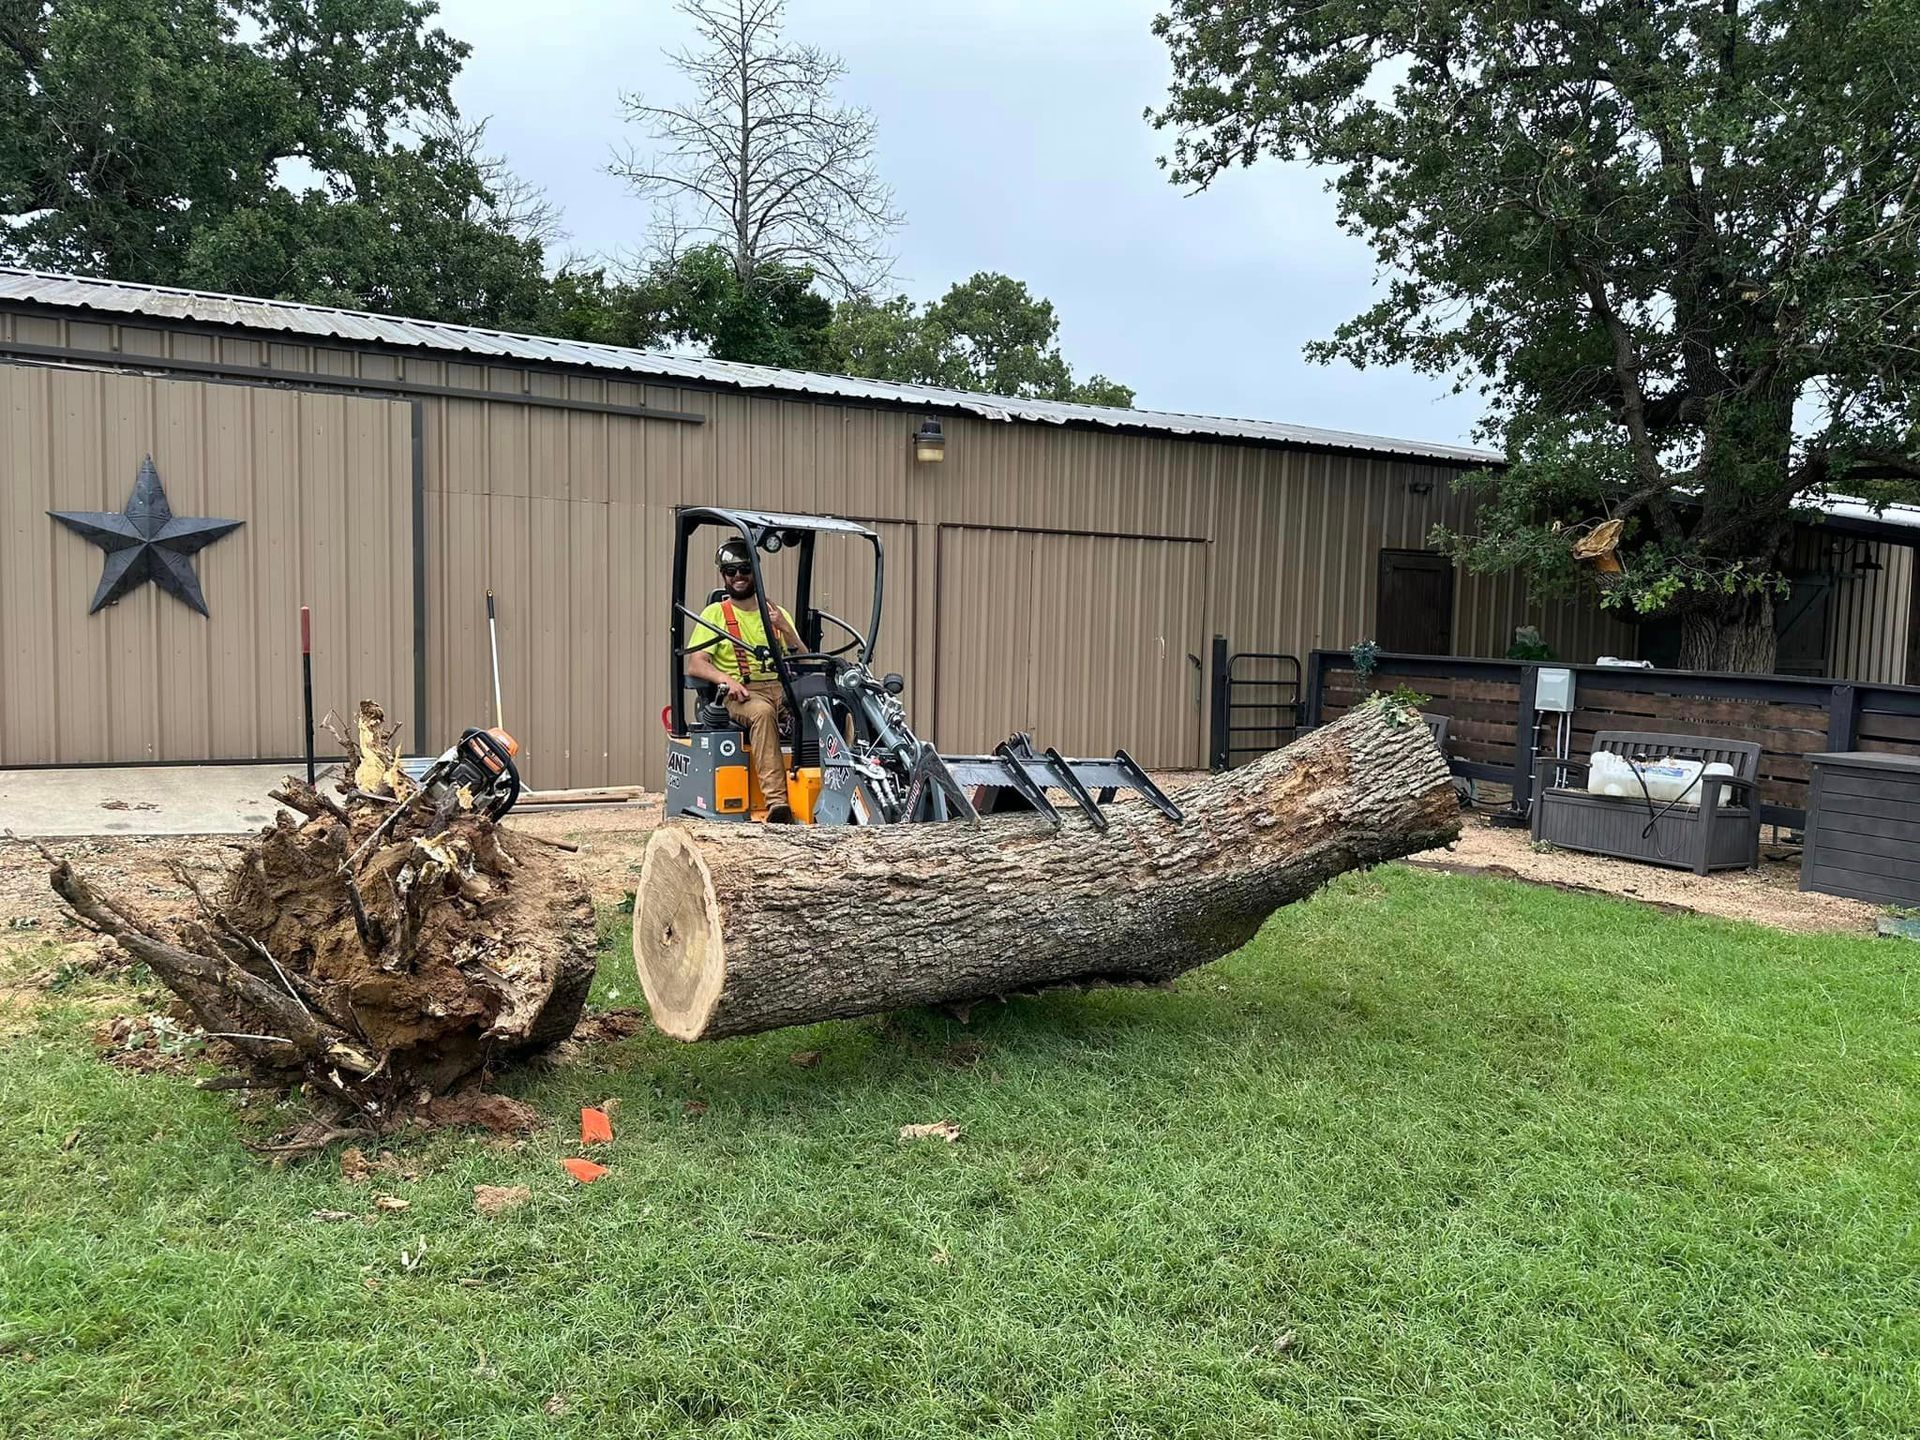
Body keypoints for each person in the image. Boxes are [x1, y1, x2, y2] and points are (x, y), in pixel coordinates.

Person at [685, 538, 803, 822]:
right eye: (731, 571)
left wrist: (785, 628)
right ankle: (777, 803)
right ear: (723, 575)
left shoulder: (775, 613)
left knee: (831, 709)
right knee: (763, 714)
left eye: (744, 569)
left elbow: (804, 657)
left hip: (782, 688)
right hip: (742, 694)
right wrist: (726, 679)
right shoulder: (715, 614)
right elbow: (696, 664)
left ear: (755, 571)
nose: (738, 576)